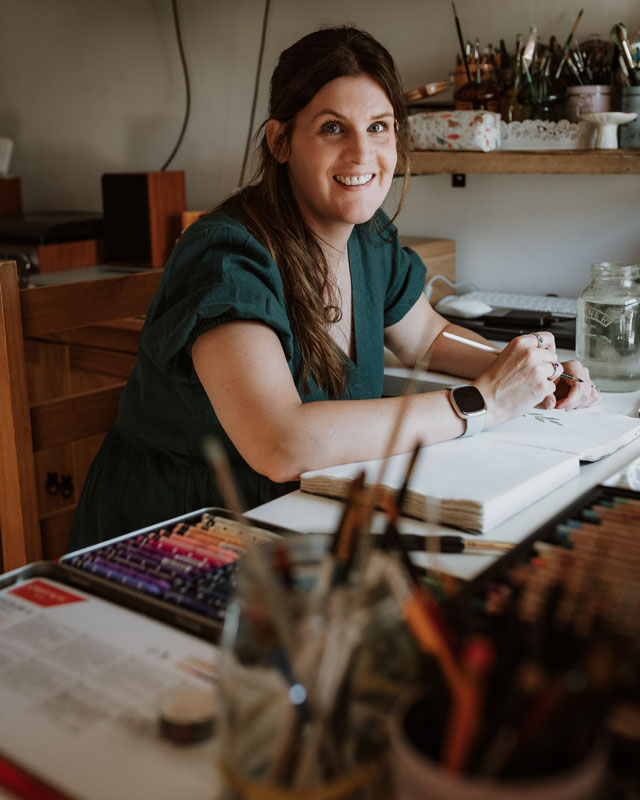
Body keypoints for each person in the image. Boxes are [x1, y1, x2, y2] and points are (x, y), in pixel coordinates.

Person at [67, 25, 597, 551]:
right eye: (332, 129)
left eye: (379, 127)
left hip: (307, 515)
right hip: (183, 534)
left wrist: (525, 367)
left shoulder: (369, 239)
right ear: (280, 141)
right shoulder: (226, 257)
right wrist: (481, 402)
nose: (363, 155)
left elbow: (428, 338)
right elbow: (280, 441)